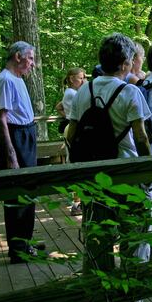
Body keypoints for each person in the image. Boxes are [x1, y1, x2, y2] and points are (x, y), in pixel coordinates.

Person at [66, 33, 152, 265]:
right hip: (127, 173)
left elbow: (71, 133)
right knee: (135, 236)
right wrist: (148, 172)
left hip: (94, 174)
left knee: (97, 238)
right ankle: (133, 296)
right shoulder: (130, 92)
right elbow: (141, 137)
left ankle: (98, 292)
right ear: (125, 63)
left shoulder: (85, 90)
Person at [0, 40, 44, 264]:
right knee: (17, 194)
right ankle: (18, 249)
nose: (33, 63)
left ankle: (25, 242)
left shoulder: (18, 79)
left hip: (26, 134)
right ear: (18, 57)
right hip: (15, 137)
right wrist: (11, 154)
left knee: (28, 191)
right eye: (30, 58)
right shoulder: (4, 80)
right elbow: (0, 119)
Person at [55, 67, 87, 215]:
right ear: (72, 79)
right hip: (73, 128)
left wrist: (65, 114)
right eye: (81, 77)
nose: (83, 80)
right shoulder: (72, 93)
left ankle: (78, 201)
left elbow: (58, 106)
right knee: (76, 163)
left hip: (71, 126)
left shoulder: (70, 93)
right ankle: (76, 203)